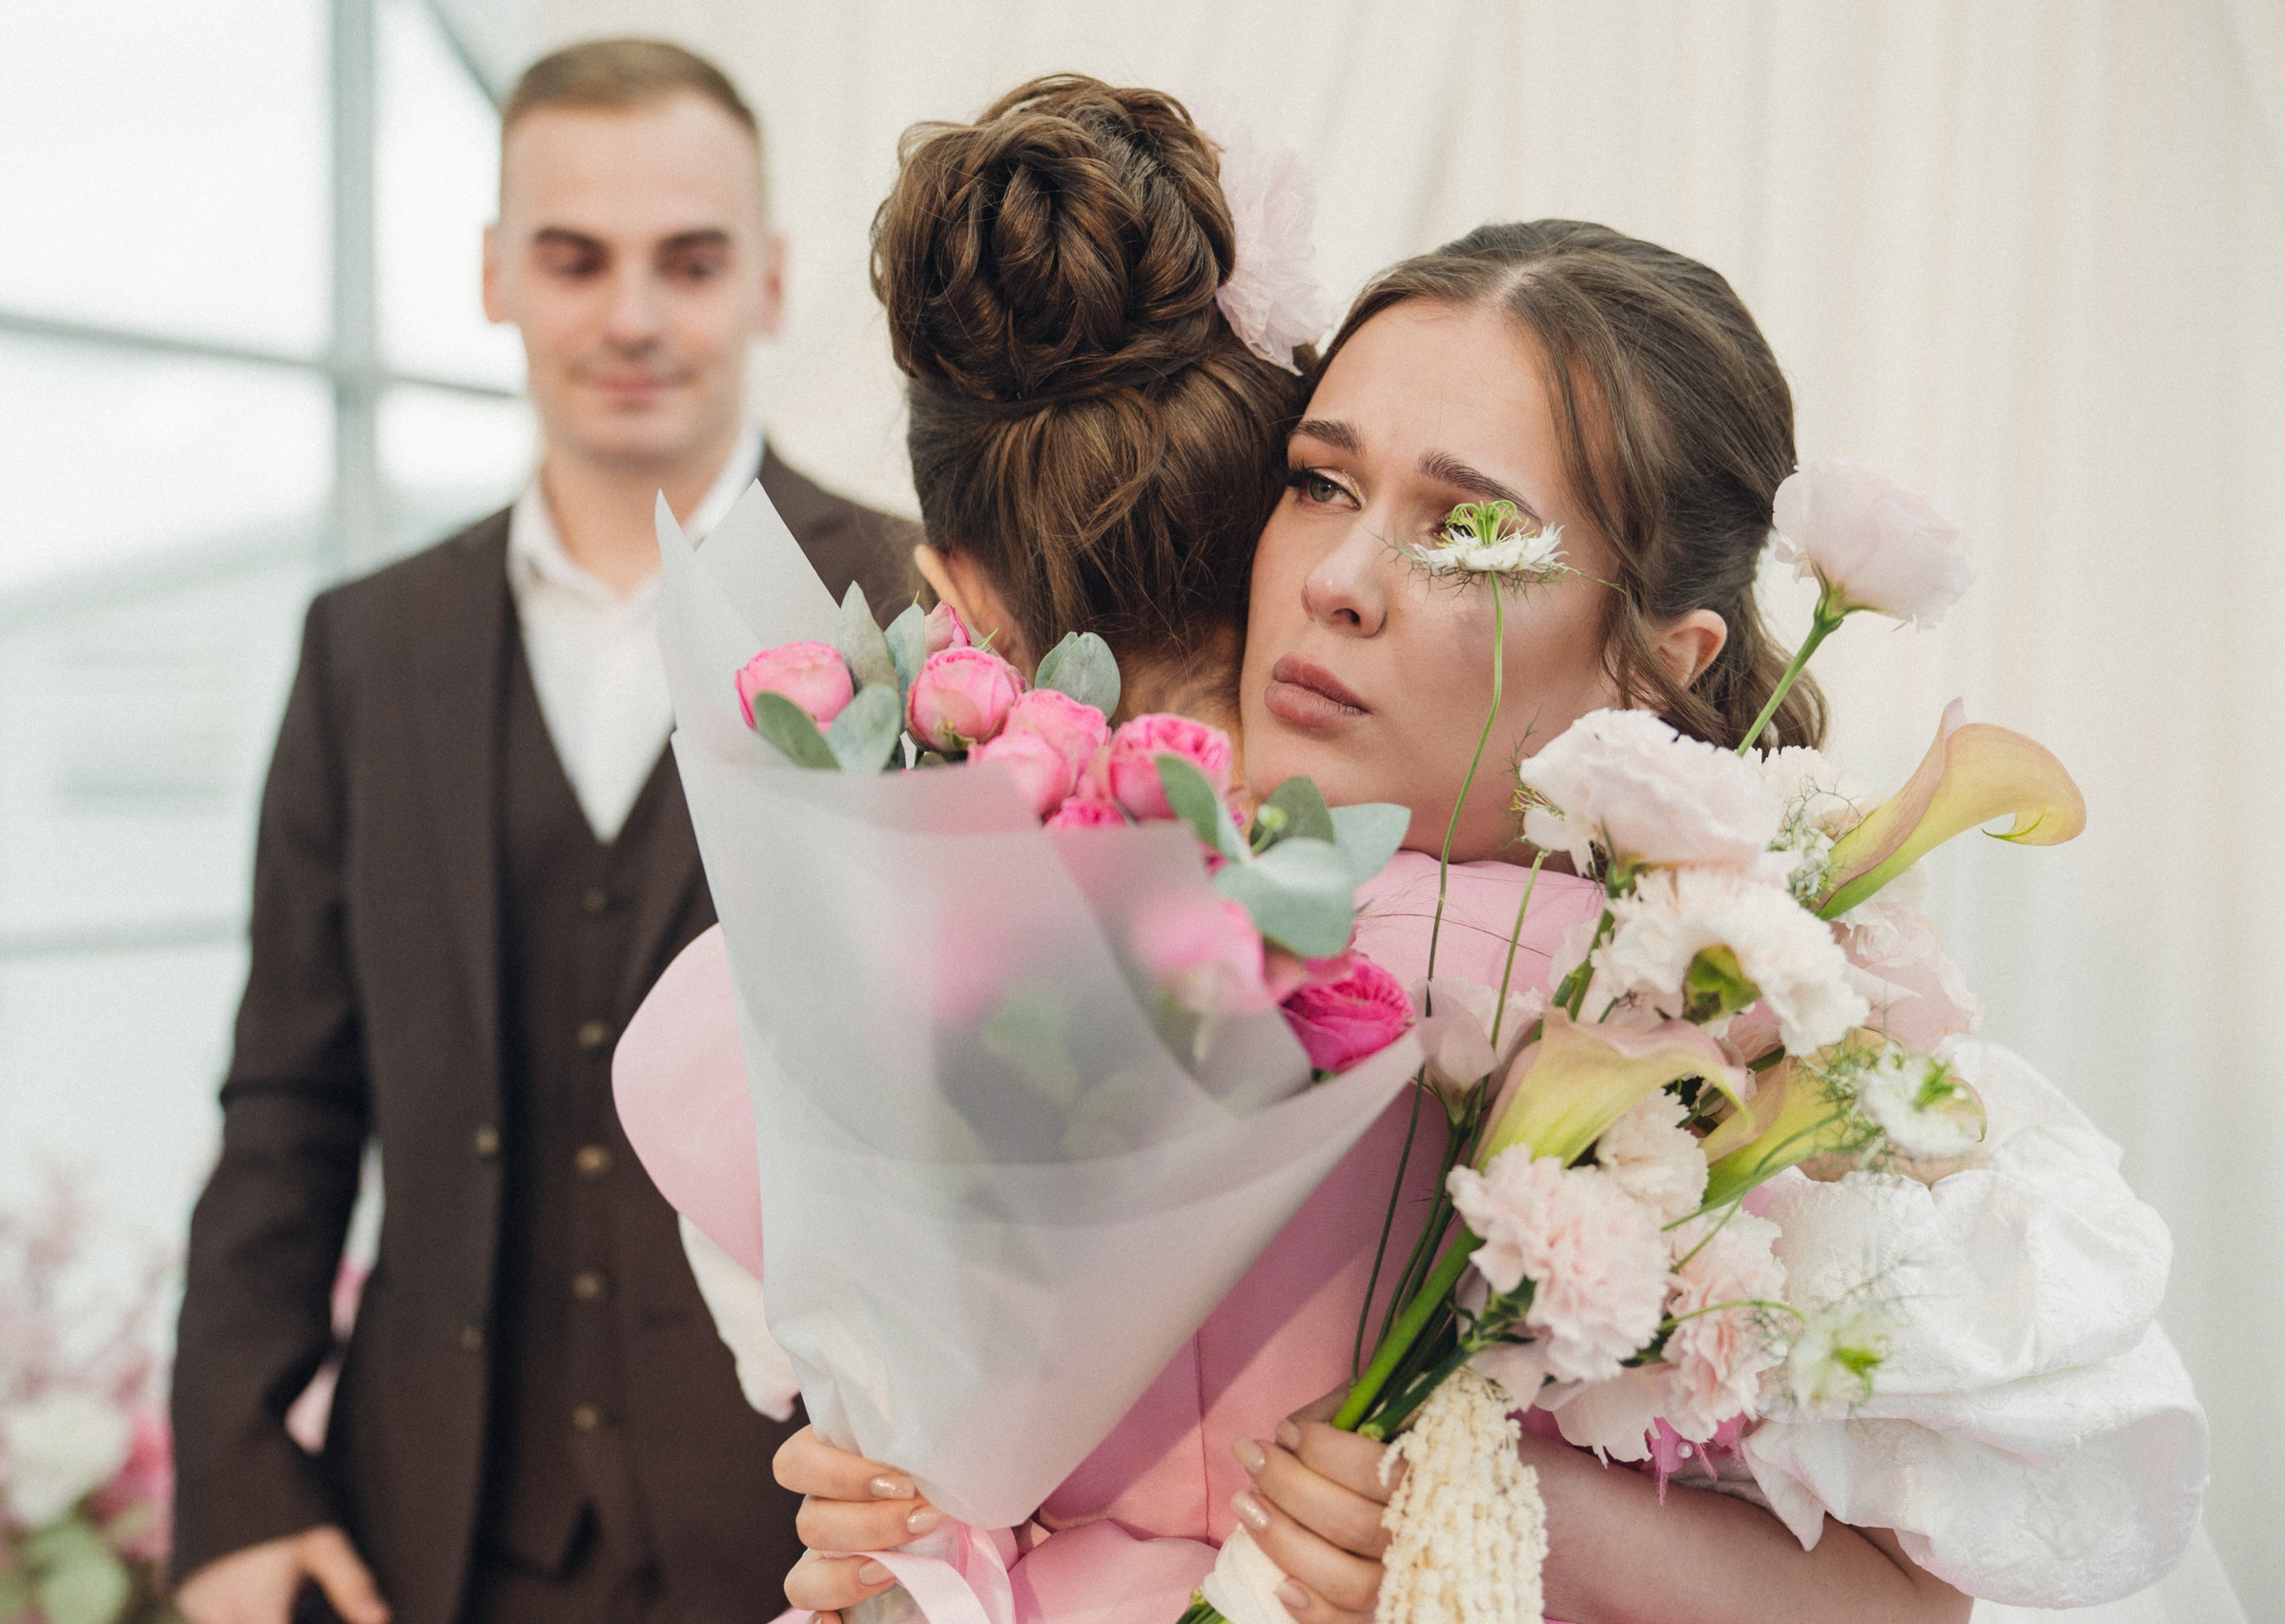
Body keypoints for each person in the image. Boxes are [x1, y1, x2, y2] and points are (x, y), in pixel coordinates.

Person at [652, 208, 2203, 1623]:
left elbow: (1915, 1612)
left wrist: (1488, 1517)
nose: (1336, 577)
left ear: (1657, 657)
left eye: (1466, 531)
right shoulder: (1064, 931)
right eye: (1320, 483)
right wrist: (919, 1522)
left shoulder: (1766, 1050)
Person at [168, 38, 919, 1624]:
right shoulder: (365, 650)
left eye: (690, 262)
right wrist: (236, 1484)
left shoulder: (919, 615)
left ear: (772, 283)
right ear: (496, 275)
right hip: (435, 1538)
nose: (632, 317)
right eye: (575, 260)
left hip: (822, 1538)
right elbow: (288, 1100)